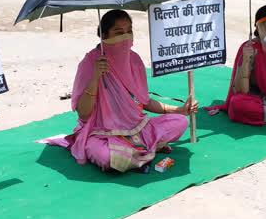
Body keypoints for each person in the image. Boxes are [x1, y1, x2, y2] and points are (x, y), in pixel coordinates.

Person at [45, 10, 198, 172]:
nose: (125, 37)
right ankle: (145, 150)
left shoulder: (134, 60)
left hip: (136, 128)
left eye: (129, 32)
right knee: (105, 156)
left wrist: (179, 110)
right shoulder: (90, 63)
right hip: (101, 133)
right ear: (104, 36)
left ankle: (134, 154)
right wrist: (96, 77)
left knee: (180, 122)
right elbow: (83, 113)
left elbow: (143, 101)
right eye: (119, 33)